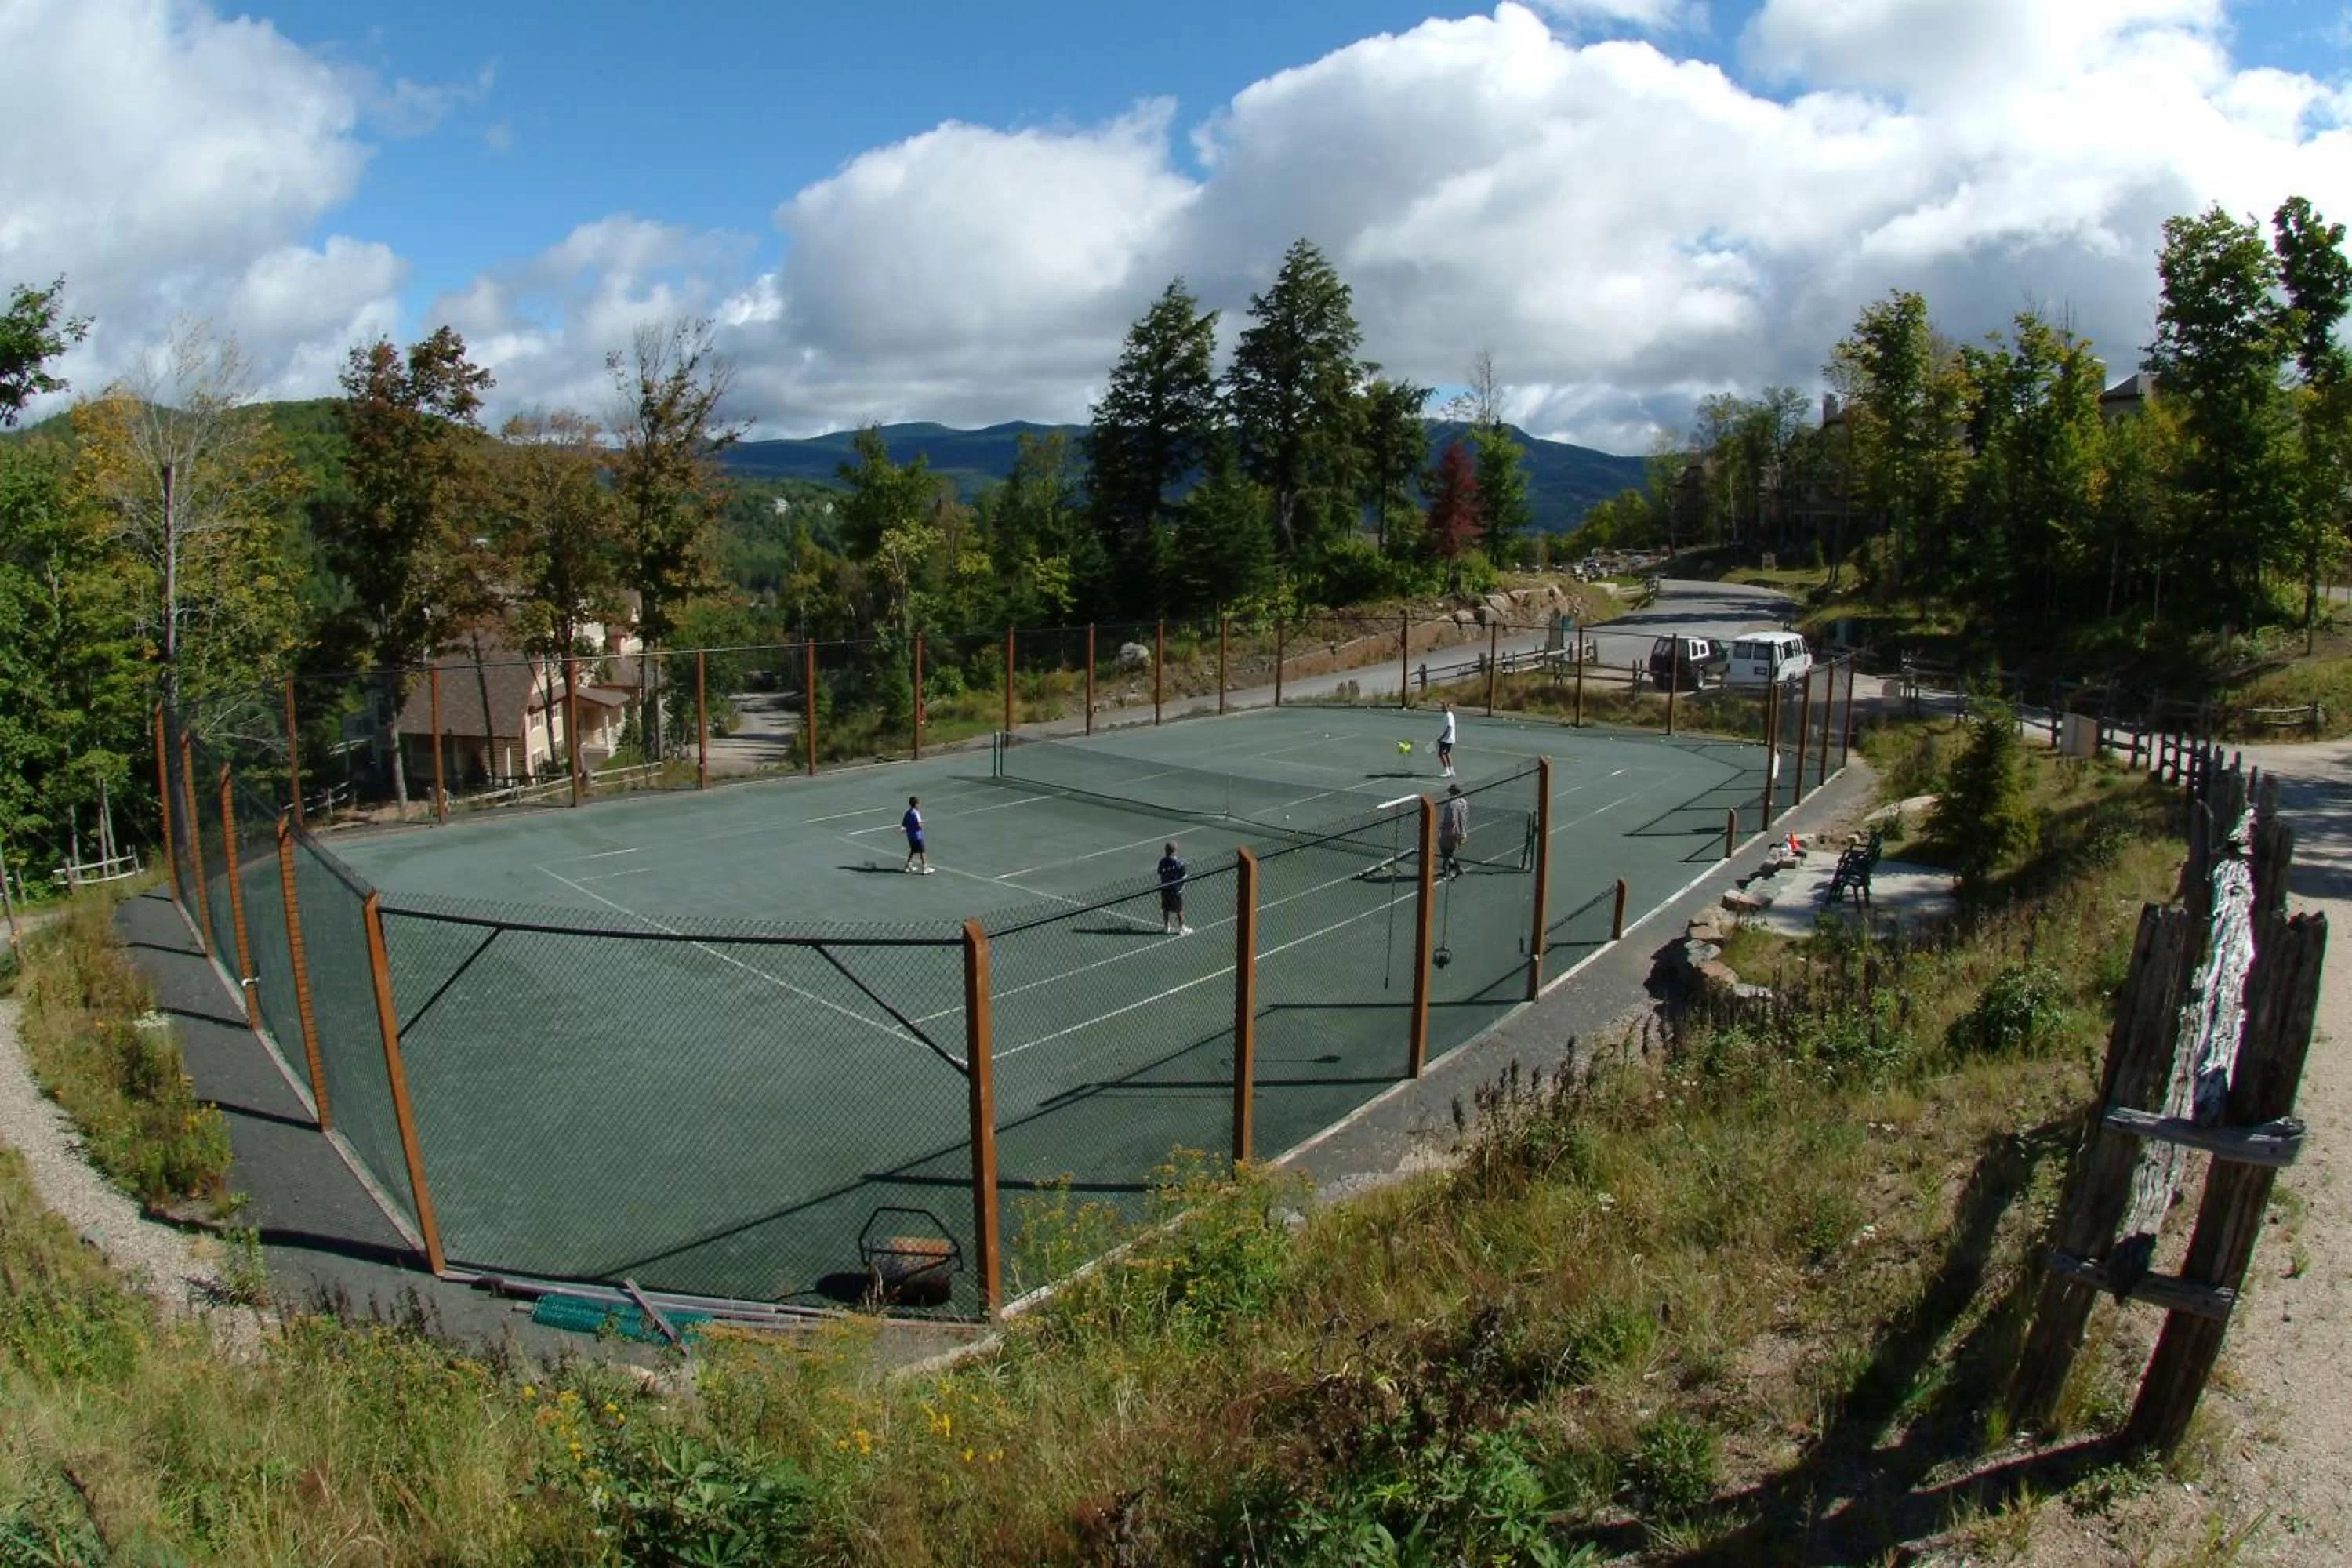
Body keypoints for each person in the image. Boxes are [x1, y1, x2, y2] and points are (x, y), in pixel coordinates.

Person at [1437, 783, 1470, 880]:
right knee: (1449, 851)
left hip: (1450, 830)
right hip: (1459, 830)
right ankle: (1455, 867)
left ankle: (1452, 869)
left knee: (1445, 850)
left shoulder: (1452, 804)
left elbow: (1453, 818)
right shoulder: (1463, 802)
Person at [1157, 840, 1190, 935]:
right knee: (1179, 910)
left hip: (1165, 888)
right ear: (1176, 850)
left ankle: (1167, 926)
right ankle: (1182, 928)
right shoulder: (1179, 863)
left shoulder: (1162, 862)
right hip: (1175, 890)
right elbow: (1184, 876)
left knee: (1166, 909)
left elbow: (1160, 872)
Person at [901, 795, 933, 874]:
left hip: (910, 836)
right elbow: (919, 825)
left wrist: (907, 828)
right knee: (923, 851)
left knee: (913, 850)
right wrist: (922, 826)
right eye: (919, 804)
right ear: (916, 804)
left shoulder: (907, 813)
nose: (919, 805)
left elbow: (904, 824)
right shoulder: (916, 813)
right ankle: (925, 868)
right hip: (917, 836)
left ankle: (908, 865)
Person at [1436, 702, 1457, 779]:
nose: (1442, 709)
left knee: (1441, 754)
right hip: (1449, 738)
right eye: (1442, 707)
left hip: (1447, 739)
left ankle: (1447, 771)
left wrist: (1441, 738)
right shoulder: (1449, 715)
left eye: (1443, 707)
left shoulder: (1448, 716)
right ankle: (1451, 770)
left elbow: (1449, 728)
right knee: (1447, 753)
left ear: (1447, 708)